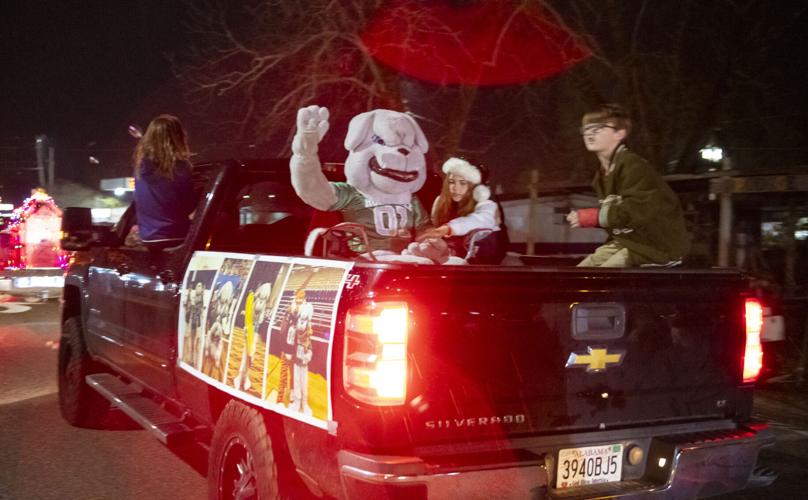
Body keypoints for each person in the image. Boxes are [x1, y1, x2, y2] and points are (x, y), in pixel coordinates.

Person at [567, 104, 689, 267]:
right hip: (628, 243)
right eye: (586, 129)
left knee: (601, 281)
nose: (589, 133)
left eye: (597, 128)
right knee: (580, 275)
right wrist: (596, 219)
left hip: (654, 246)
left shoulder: (634, 166)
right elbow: (617, 216)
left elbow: (638, 209)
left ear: (620, 133)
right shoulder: (602, 175)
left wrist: (596, 217)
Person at [417, 157, 507, 263]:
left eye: (463, 183)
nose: (455, 188)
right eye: (451, 182)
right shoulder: (442, 202)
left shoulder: (487, 204)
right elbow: (433, 229)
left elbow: (481, 219)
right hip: (454, 260)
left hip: (484, 266)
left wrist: (447, 229)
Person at [132, 114, 196, 249]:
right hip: (175, 236)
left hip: (147, 238)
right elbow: (189, 206)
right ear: (178, 137)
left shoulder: (140, 168)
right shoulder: (181, 167)